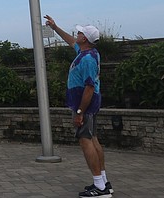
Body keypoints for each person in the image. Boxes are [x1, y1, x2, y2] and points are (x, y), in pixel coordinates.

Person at [44, 15, 113, 196]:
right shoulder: (85, 52)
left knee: (86, 142)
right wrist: (55, 27)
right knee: (93, 139)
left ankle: (100, 187)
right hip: (87, 105)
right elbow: (70, 41)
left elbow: (89, 87)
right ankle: (103, 181)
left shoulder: (88, 58)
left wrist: (80, 111)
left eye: (80, 32)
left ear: (85, 39)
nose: (77, 33)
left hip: (85, 105)